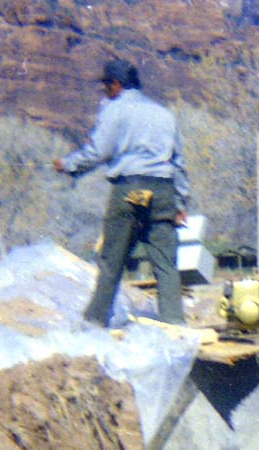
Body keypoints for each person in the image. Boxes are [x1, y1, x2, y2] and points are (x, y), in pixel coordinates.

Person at [55, 57, 189, 326]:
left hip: (129, 189)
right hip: (162, 190)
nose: (105, 91)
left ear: (116, 85)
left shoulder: (113, 110)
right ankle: (175, 326)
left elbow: (99, 152)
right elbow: (178, 162)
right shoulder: (164, 114)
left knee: (111, 261)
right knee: (165, 263)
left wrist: (69, 165)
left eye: (106, 85)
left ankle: (94, 323)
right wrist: (181, 203)